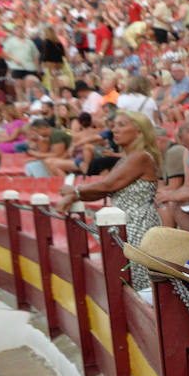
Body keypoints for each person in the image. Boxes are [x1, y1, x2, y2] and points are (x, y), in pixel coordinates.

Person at [54, 111, 160, 291]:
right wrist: (74, 195)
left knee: (134, 284)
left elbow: (107, 186)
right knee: (124, 281)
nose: (114, 130)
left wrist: (74, 190)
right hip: (125, 224)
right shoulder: (126, 159)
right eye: (114, 125)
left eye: (121, 125)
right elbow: (102, 190)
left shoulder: (140, 157)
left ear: (139, 131)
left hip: (138, 225)